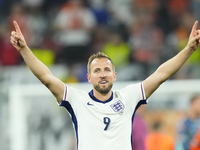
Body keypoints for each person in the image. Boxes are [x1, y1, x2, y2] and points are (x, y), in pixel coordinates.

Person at [10, 20, 200, 150]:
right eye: (97, 71)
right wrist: (25, 49)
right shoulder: (77, 100)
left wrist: (189, 49)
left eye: (107, 70)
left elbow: (161, 74)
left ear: (114, 75)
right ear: (89, 77)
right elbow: (47, 77)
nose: (103, 74)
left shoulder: (128, 97)